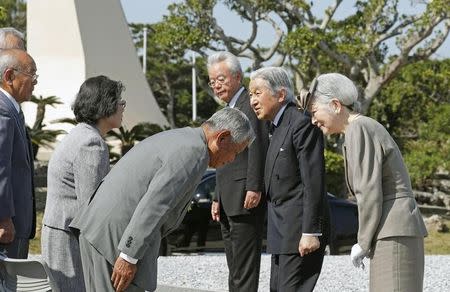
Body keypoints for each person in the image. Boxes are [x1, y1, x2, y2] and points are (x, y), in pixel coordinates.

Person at [69, 107, 255, 292]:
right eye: (236, 152)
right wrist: (129, 256)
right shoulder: (194, 151)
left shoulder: (184, 139)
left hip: (100, 231)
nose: (232, 159)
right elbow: (156, 204)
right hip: (114, 240)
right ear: (222, 138)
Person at [302, 72, 428, 291]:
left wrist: (362, 241)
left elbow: (368, 191)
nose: (313, 120)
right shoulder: (359, 129)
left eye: (314, 112)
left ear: (335, 104)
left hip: (393, 230)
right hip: (392, 229)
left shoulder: (358, 128)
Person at [41, 75, 126, 291]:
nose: (123, 106)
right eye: (119, 101)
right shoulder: (91, 143)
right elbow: (92, 209)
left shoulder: (78, 134)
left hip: (59, 233)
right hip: (69, 241)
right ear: (105, 105)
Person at [249, 67, 329, 292]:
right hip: (281, 231)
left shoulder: (301, 123)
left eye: (258, 93)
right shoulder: (274, 126)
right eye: (250, 94)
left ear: (281, 95)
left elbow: (313, 181)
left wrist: (311, 231)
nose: (253, 100)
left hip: (300, 231)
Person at [207, 51, 269, 292]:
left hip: (245, 196)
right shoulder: (226, 110)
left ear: (237, 77)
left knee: (244, 270)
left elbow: (258, 145)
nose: (216, 85)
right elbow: (222, 158)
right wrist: (216, 196)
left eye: (220, 79)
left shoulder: (249, 105)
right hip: (227, 198)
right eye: (212, 81)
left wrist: (254, 186)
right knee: (234, 267)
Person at [0, 49, 37, 258]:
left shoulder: (11, 109)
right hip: (7, 228)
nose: (35, 81)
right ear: (9, 77)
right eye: (31, 74)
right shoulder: (3, 110)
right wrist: (3, 217)